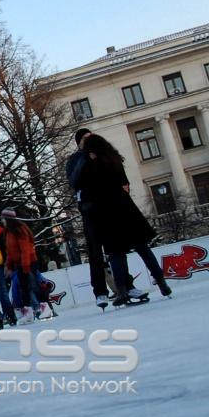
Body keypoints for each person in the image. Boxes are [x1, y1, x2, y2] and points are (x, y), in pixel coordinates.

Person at [78, 134, 172, 305]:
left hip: (107, 212)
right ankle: (161, 281)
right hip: (126, 208)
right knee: (143, 248)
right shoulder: (114, 159)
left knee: (116, 253)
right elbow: (125, 184)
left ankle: (121, 290)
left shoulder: (91, 165)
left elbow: (84, 185)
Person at [66, 128, 113, 308]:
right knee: (95, 251)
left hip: (107, 205)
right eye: (86, 138)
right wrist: (86, 157)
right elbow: (73, 181)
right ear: (80, 142)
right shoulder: (76, 159)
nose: (90, 140)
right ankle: (100, 292)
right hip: (89, 207)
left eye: (91, 137)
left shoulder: (102, 154)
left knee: (116, 248)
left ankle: (126, 285)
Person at [0, 209, 42, 324]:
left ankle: (42, 308)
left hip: (28, 262)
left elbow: (25, 250)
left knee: (32, 286)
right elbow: (9, 251)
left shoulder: (20, 230)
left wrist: (25, 266)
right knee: (24, 288)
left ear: (8, 219)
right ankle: (29, 312)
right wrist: (8, 266)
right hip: (20, 264)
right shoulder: (8, 232)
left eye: (3, 218)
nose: (2, 221)